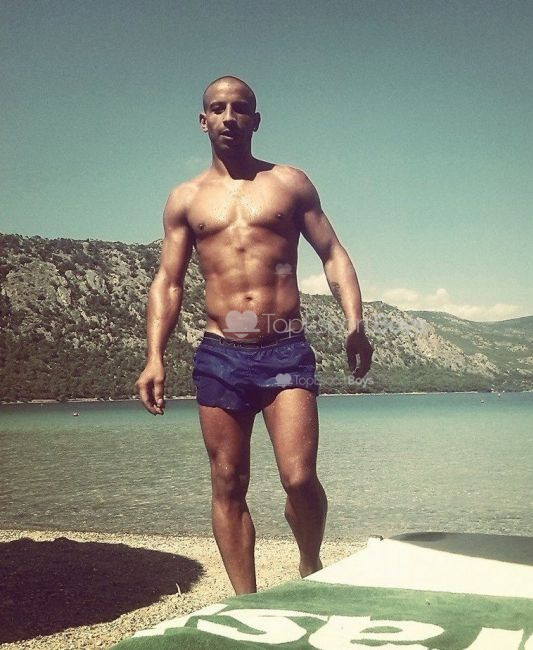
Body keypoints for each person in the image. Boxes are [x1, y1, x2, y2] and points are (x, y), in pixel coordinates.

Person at [135, 75, 373, 595]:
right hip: (220, 354)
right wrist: (154, 355)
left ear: (256, 120)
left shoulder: (289, 184)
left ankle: (309, 560)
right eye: (218, 108)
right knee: (228, 482)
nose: (229, 117)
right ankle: (247, 602)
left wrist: (355, 323)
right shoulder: (185, 199)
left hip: (285, 347)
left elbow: (333, 254)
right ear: (203, 121)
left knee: (299, 478)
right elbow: (168, 281)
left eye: (240, 108)